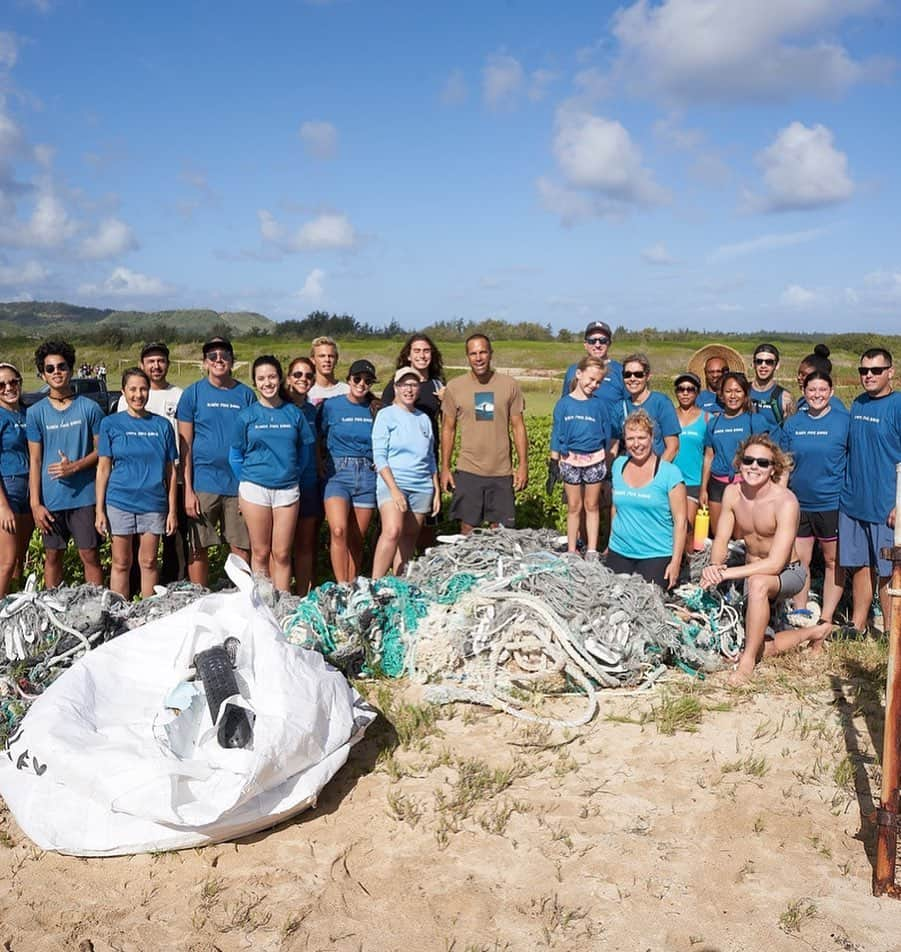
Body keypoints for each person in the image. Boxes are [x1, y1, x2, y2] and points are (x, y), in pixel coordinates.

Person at [701, 434, 828, 684]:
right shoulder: (732, 493)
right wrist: (714, 568)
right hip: (752, 572)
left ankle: (746, 663)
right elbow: (721, 540)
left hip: (788, 573)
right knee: (764, 647)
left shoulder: (785, 501)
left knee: (759, 582)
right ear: (739, 463)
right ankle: (815, 631)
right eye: (749, 460)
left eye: (762, 463)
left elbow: (775, 563)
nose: (754, 467)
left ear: (773, 469)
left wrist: (727, 573)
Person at [229, 356, 315, 592]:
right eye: (261, 378)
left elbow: (304, 453)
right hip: (254, 489)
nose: (267, 382)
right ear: (255, 383)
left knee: (282, 553)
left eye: (272, 377)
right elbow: (235, 456)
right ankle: (262, 606)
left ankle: (283, 607)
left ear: (280, 379)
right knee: (260, 552)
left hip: (287, 491)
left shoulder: (294, 414)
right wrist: (245, 482)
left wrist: (292, 475)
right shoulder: (247, 416)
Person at [26, 340, 105, 588]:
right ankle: (52, 610)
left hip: (84, 497)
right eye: (50, 369)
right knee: (52, 558)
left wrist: (76, 466)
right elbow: (35, 460)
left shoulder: (90, 408)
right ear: (42, 374)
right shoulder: (35, 412)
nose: (56, 372)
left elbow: (102, 451)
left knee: (89, 555)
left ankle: (98, 609)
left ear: (71, 369)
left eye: (61, 366)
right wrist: (36, 503)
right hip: (52, 500)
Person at [176, 337, 254, 586]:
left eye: (224, 355)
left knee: (241, 547)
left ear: (232, 361)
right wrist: (187, 489)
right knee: (198, 547)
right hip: (204, 483)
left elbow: (254, 442)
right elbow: (184, 446)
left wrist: (250, 486)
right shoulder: (192, 394)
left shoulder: (246, 395)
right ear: (205, 362)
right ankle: (199, 596)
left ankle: (241, 599)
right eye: (212, 355)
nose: (218, 359)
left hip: (238, 484)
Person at [95, 368, 178, 598]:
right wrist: (99, 510)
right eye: (132, 389)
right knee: (121, 562)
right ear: (123, 392)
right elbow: (103, 468)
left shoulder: (162, 426)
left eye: (143, 389)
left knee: (149, 561)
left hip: (153, 503)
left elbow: (170, 471)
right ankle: (118, 614)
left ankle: (147, 615)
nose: (138, 394)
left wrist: (172, 510)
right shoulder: (110, 424)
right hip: (119, 501)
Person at [779, 370, 849, 629]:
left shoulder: (844, 421)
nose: (816, 395)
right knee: (799, 561)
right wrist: (780, 498)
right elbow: (785, 464)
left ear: (831, 392)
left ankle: (827, 617)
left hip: (831, 503)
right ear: (804, 393)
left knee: (833, 561)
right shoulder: (793, 423)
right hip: (799, 504)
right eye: (811, 390)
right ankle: (801, 612)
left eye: (822, 390)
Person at [838, 348, 901, 636]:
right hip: (854, 501)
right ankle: (859, 625)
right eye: (864, 371)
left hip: (886, 503)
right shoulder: (858, 404)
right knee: (860, 566)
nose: (869, 376)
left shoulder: (898, 404)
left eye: (876, 370)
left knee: (888, 569)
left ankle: (890, 631)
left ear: (891, 371)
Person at [441, 334, 528, 533]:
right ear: (467, 356)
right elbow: (448, 428)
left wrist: (523, 465)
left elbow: (518, 427)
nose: (478, 358)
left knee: (501, 533)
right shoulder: (455, 387)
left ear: (490, 354)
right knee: (468, 530)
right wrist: (444, 467)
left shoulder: (509, 385)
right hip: (469, 470)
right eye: (473, 353)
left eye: (482, 352)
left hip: (501, 472)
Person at [117, 341, 185, 584]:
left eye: (161, 361)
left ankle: (172, 586)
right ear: (141, 364)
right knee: (134, 545)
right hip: (135, 486)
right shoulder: (127, 398)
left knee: (172, 539)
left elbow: (185, 441)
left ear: (168, 363)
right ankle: (135, 588)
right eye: (150, 361)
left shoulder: (179, 396)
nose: (156, 366)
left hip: (171, 480)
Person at [371, 367, 441, 578]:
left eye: (413, 385)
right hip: (394, 482)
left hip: (422, 486)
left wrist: (436, 490)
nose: (409, 389)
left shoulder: (424, 419)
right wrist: (394, 489)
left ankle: (398, 583)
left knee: (409, 538)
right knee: (392, 531)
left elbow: (429, 457)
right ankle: (374, 584)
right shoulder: (386, 415)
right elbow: (380, 456)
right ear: (396, 387)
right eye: (404, 385)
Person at [380, 334, 446, 555]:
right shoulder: (395, 385)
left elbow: (448, 425)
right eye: (416, 351)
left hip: (427, 463)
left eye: (426, 351)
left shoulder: (439, 384)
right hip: (398, 468)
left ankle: (413, 572)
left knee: (423, 530)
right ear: (408, 355)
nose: (421, 355)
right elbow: (386, 420)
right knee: (393, 530)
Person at [607, 409, 686, 590]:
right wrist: (610, 543)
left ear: (651, 437)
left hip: (656, 553)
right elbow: (615, 509)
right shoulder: (618, 465)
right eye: (630, 439)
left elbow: (680, 522)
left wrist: (675, 562)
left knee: (646, 604)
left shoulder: (669, 473)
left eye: (641, 438)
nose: (636, 444)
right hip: (620, 550)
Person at [318, 358, 381, 582]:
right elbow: (317, 435)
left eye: (368, 380)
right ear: (348, 380)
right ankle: (341, 586)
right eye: (357, 378)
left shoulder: (376, 408)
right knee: (338, 531)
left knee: (356, 538)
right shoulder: (331, 405)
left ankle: (353, 585)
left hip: (367, 474)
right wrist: (319, 461)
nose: (362, 384)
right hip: (338, 473)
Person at [549, 356, 612, 558]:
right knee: (574, 506)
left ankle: (592, 549)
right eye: (591, 379)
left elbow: (606, 435)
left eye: (598, 382)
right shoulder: (563, 404)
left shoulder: (599, 406)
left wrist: (605, 462)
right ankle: (572, 549)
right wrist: (553, 462)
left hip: (594, 460)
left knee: (592, 506)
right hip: (569, 461)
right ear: (578, 374)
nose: (593, 385)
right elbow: (557, 433)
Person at [700, 372, 769, 535]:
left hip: (744, 484)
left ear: (745, 394)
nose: (733, 396)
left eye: (738, 391)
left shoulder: (755, 421)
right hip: (717, 485)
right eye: (728, 391)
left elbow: (767, 456)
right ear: (721, 395)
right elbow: (709, 456)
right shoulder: (713, 423)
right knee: (719, 536)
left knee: (741, 540)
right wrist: (703, 488)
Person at [286, 355, 323, 595]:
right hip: (284, 484)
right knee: (280, 546)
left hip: (309, 482)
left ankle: (302, 595)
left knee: (305, 543)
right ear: (289, 378)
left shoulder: (312, 410)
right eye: (298, 374)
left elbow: (316, 442)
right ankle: (279, 594)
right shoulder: (281, 407)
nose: (304, 379)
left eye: (309, 375)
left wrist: (319, 463)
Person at [0, 363, 34, 595]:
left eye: (13, 382)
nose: (8, 388)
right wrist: (3, 506)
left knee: (19, 560)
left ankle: (12, 608)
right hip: (7, 488)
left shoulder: (27, 412)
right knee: (6, 561)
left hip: (28, 488)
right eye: (1, 385)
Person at [617, 353, 680, 461]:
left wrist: (656, 473)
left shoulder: (661, 403)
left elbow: (673, 446)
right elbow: (614, 446)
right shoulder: (620, 407)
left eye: (638, 374)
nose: (632, 378)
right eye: (627, 374)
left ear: (647, 376)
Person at [672, 372, 707, 548]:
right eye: (681, 389)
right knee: (670, 526)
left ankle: (688, 565)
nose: (685, 393)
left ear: (697, 392)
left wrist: (704, 487)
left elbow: (709, 455)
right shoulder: (668, 415)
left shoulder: (707, 418)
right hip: (671, 479)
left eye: (690, 389)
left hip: (693, 480)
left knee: (687, 526)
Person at [561, 321, 625, 408]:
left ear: (609, 343)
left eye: (603, 340)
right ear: (585, 344)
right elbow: (565, 404)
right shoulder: (573, 370)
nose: (597, 345)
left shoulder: (621, 371)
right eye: (592, 341)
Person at [687, 343, 746, 414]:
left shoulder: (737, 396)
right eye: (711, 372)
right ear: (705, 373)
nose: (715, 375)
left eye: (719, 371)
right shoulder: (698, 398)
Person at [749, 342, 794, 427]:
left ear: (777, 365)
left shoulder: (785, 398)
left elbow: (790, 432)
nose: (763, 365)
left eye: (769, 362)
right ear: (753, 364)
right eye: (759, 361)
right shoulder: (742, 391)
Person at [795, 344, 845, 414]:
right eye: (799, 373)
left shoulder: (835, 407)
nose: (799, 378)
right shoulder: (801, 402)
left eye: (804, 375)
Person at [308, 336, 350, 406]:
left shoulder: (347, 391)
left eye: (331, 356)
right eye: (322, 356)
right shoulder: (306, 391)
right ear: (312, 360)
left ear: (336, 359)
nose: (327, 360)